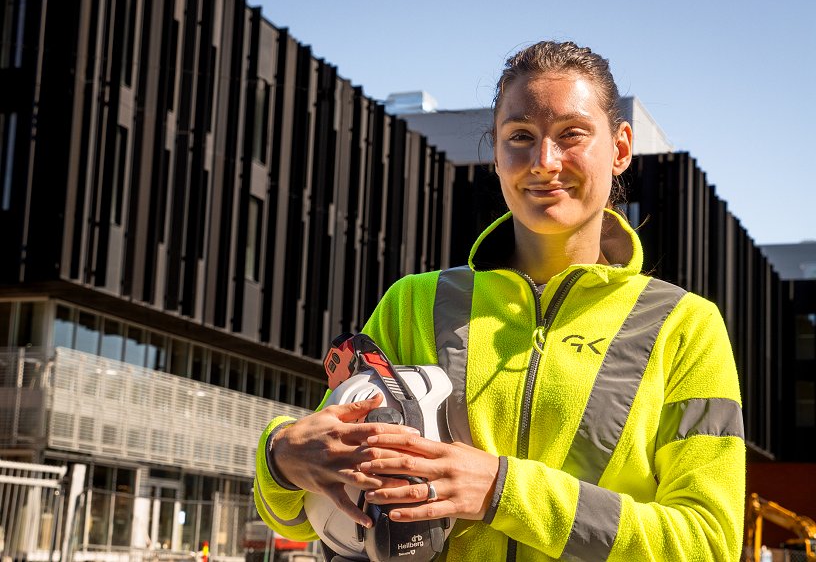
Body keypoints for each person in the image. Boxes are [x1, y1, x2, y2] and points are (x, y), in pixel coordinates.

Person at [254, 40, 746, 561]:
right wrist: (281, 457)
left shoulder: (685, 326)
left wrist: (501, 490)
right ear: (496, 153)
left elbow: (708, 544)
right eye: (520, 137)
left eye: (571, 134)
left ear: (621, 148)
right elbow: (310, 513)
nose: (544, 162)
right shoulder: (413, 303)